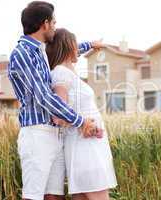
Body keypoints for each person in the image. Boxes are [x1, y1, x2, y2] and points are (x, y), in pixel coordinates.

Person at [7, 1, 103, 199]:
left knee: (54, 196)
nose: (55, 26)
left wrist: (90, 45)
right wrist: (81, 121)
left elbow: (65, 51)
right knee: (33, 195)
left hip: (55, 134)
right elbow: (43, 97)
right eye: (54, 22)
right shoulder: (22, 54)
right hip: (37, 134)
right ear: (45, 24)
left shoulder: (41, 49)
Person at [47, 28, 117, 200]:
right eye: (74, 44)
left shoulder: (67, 72)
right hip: (85, 145)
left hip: (87, 143)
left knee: (84, 195)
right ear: (69, 46)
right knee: (97, 192)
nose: (77, 49)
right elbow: (58, 116)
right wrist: (84, 124)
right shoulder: (61, 73)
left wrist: (92, 44)